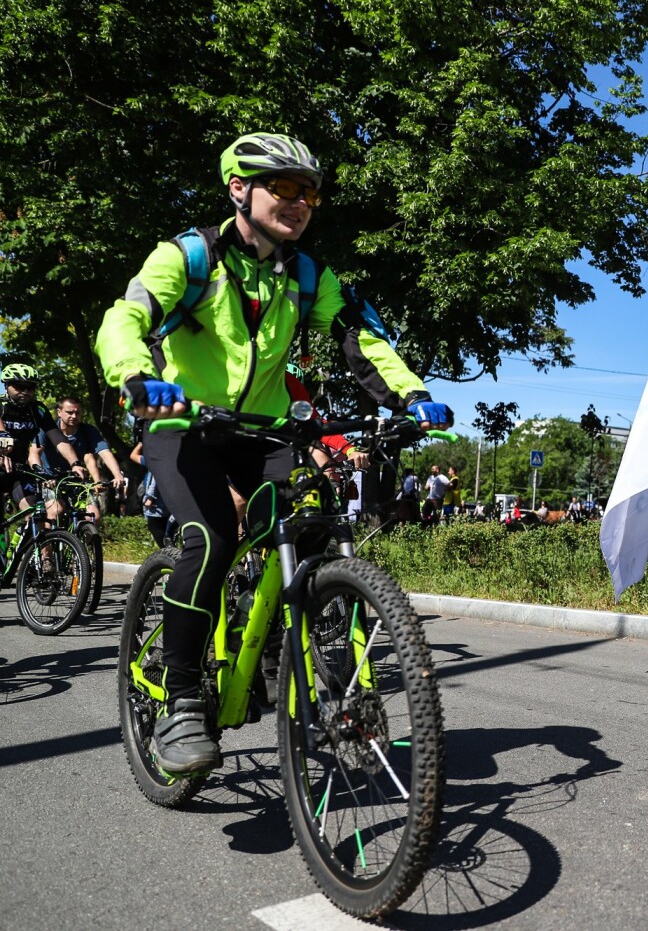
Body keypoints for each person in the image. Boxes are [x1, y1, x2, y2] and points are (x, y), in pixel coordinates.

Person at [95, 132, 452, 773]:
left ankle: (337, 695)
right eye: (283, 186)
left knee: (315, 529)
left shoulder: (309, 276)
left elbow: (357, 335)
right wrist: (136, 378)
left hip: (262, 430)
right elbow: (127, 316)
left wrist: (411, 393)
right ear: (240, 188)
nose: (300, 201)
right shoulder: (189, 257)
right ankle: (180, 699)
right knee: (209, 539)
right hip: (182, 424)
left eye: (309, 192)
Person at [0, 365, 87, 514]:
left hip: (20, 469)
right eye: (20, 386)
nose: (26, 392)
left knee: (35, 512)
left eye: (31, 387)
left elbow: (59, 439)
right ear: (7, 385)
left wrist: (75, 463)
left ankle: (31, 537)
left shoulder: (38, 409)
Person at [43, 396, 128, 525]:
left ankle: (82, 545)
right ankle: (49, 542)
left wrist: (117, 475)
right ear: (59, 412)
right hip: (51, 480)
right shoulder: (48, 429)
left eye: (77, 412)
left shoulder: (88, 431)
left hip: (77, 480)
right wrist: (42, 476)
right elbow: (34, 453)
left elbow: (105, 453)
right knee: (56, 512)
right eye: (69, 412)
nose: (74, 416)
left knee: (93, 517)